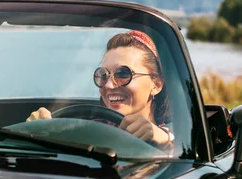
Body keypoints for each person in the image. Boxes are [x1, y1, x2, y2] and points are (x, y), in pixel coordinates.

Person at [27, 30, 173, 149]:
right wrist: (34, 133)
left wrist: (164, 138)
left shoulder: (179, 139)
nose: (108, 85)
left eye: (123, 74)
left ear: (157, 84)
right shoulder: (83, 132)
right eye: (103, 75)